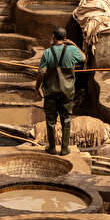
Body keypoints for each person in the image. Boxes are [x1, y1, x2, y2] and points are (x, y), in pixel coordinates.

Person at [34, 27, 84, 156]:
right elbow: (83, 58)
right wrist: (73, 44)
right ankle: (64, 148)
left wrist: (37, 88)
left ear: (53, 37)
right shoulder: (72, 50)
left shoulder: (47, 52)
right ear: (65, 38)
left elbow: (41, 73)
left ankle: (51, 147)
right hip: (67, 91)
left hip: (51, 90)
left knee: (51, 118)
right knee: (66, 117)